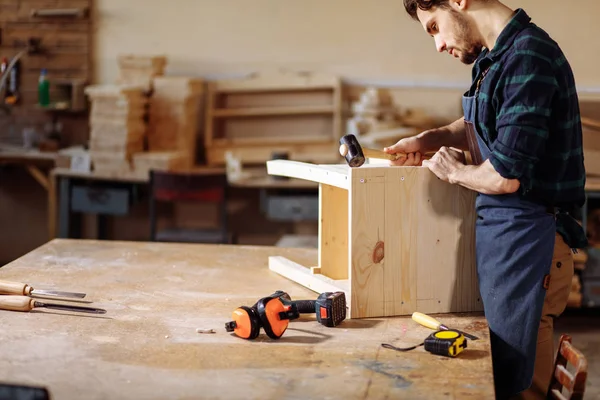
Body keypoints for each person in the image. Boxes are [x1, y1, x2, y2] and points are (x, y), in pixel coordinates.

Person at [387, 1, 589, 399]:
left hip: (533, 239)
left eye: (434, 27)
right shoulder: (495, 59)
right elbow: (479, 123)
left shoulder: (530, 56)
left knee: (520, 386)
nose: (439, 43)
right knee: (502, 375)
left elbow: (505, 175)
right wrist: (428, 140)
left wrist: (453, 171)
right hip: (508, 236)